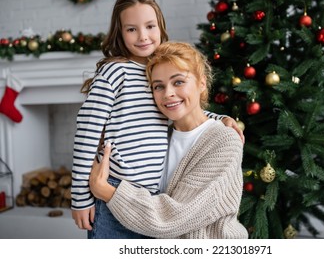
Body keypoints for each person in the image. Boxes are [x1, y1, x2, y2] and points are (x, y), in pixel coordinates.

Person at [71, 0, 243, 239]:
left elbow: (176, 109)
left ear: (161, 27)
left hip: (148, 198)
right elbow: (87, 131)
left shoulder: (156, 70)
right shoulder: (114, 72)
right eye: (131, 29)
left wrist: (218, 118)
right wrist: (80, 198)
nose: (142, 36)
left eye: (150, 26)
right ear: (120, 33)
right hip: (114, 189)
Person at [89, 41, 248, 239]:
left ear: (201, 83)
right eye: (158, 86)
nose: (168, 94)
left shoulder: (224, 141)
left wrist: (106, 191)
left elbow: (174, 216)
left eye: (178, 82)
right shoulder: (160, 137)